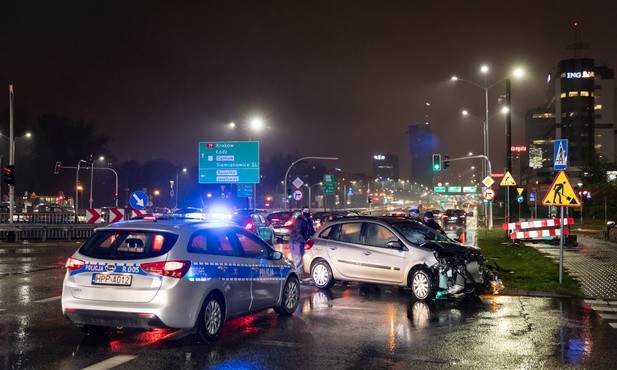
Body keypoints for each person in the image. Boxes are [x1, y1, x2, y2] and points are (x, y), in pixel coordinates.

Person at [289, 206, 315, 282]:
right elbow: (298, 231)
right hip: (296, 241)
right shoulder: (299, 220)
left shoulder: (309, 220)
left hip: (302, 242)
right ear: (302, 211)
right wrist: (304, 239)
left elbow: (311, 231)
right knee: (298, 258)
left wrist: (315, 236)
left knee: (302, 257)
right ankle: (296, 274)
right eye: (305, 211)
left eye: (308, 211)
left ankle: (299, 274)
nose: (307, 212)